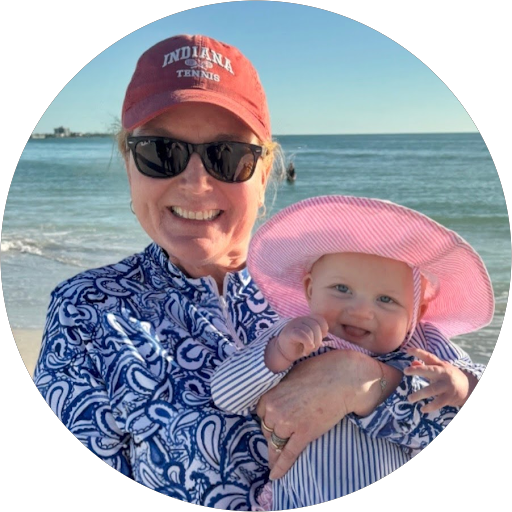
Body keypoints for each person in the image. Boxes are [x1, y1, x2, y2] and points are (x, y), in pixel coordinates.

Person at [32, 34, 486, 509]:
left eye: (227, 156)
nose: (195, 182)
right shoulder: (87, 311)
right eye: (160, 152)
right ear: (130, 164)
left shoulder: (339, 293)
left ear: (264, 172)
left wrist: (364, 381)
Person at [212, 194, 492, 509]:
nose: (360, 311)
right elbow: (225, 395)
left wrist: (463, 383)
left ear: (417, 311)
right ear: (310, 289)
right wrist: (276, 352)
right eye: (342, 289)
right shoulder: (293, 337)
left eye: (386, 300)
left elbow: (475, 376)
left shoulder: (422, 343)